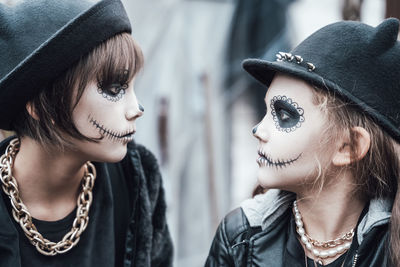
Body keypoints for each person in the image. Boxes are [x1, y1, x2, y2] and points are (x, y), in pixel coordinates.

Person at [205, 18, 400, 266]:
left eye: (284, 115)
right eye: (266, 111)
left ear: (348, 146)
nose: (258, 130)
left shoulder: (393, 249)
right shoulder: (240, 238)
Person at [0, 0, 172, 266]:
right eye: (114, 89)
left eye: (132, 85)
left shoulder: (137, 181)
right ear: (41, 106)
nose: (136, 108)